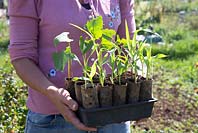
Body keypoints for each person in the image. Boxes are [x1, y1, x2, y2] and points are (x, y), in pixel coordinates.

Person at [8, 0, 136, 132]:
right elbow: (22, 57)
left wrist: (136, 95)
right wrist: (52, 91)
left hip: (113, 115)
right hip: (54, 121)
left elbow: (127, 49)